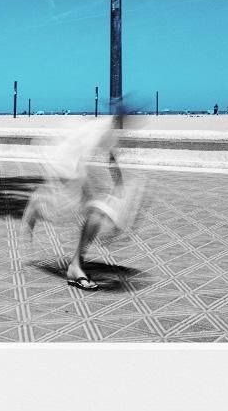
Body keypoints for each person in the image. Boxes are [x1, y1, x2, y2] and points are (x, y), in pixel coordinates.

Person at [22, 108, 143, 290]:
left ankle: (75, 265)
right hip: (66, 166)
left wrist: (119, 187)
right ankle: (38, 207)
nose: (130, 123)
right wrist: (90, 192)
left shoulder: (110, 129)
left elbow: (111, 159)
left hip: (72, 166)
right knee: (81, 212)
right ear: (119, 116)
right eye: (129, 118)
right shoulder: (101, 129)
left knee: (95, 212)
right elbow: (81, 158)